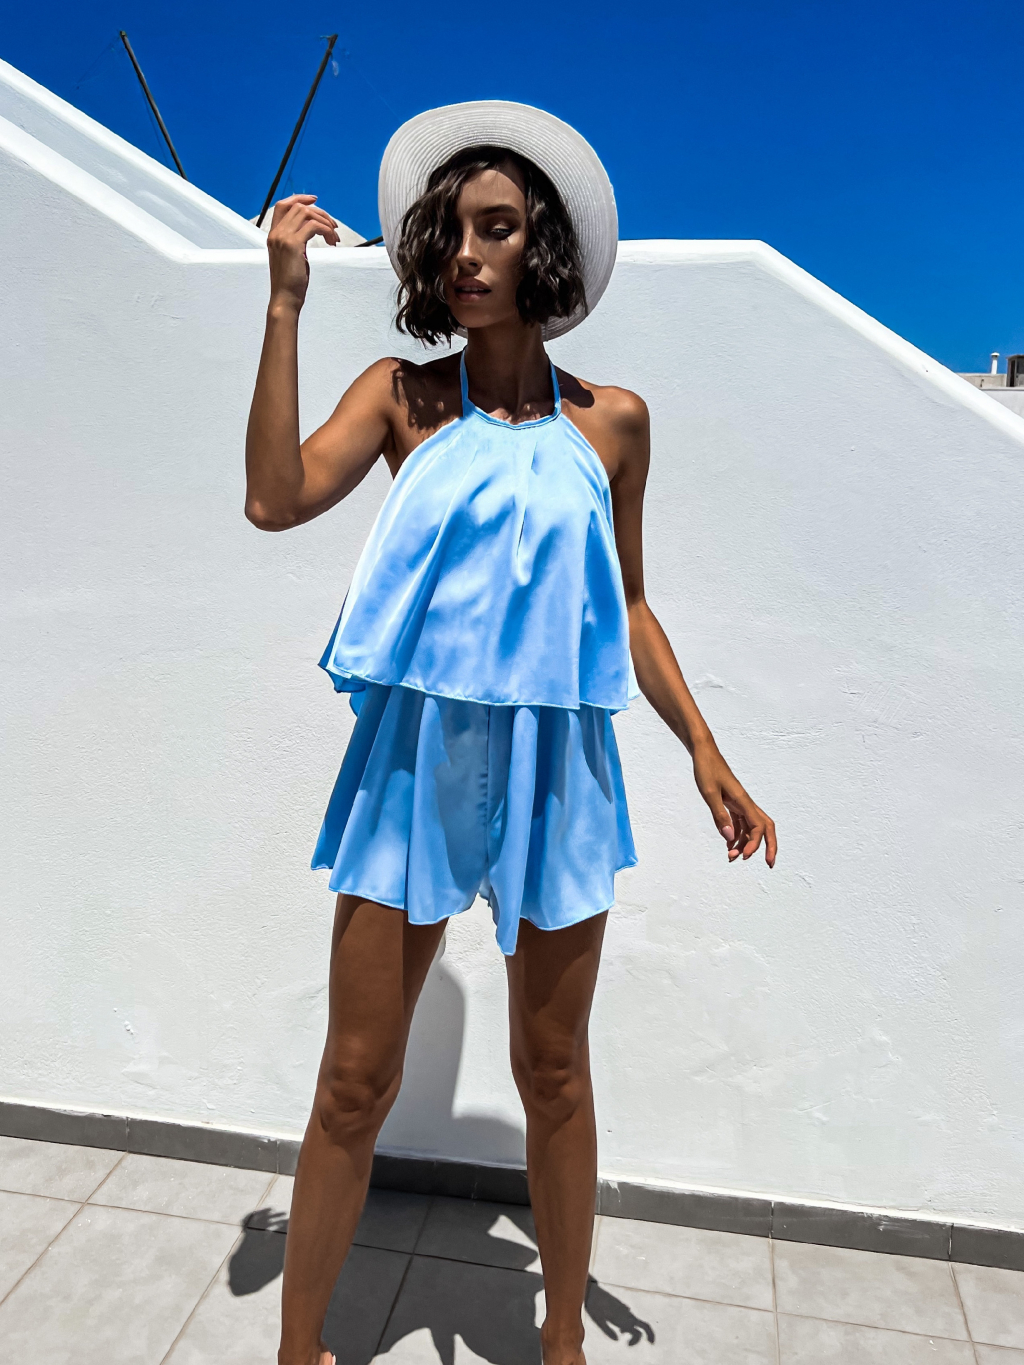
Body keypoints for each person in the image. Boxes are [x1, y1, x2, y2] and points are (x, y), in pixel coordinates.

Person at [245, 100, 777, 1365]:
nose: (466, 255)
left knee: (554, 1074)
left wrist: (704, 749)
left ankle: (560, 1342)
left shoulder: (613, 423)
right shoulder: (402, 399)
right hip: (415, 760)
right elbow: (273, 498)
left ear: (543, 248)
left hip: (557, 771)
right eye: (449, 233)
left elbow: (628, 603)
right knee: (352, 1081)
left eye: (496, 228)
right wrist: (284, 307)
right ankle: (297, 1350)